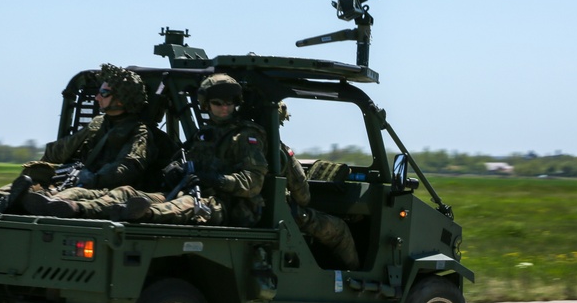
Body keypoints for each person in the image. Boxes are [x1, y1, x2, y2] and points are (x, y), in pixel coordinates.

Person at [26, 73, 267, 227]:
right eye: (218, 103)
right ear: (206, 105)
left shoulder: (245, 136)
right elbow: (179, 159)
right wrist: (175, 170)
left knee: (183, 206)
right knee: (125, 193)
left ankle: (143, 216)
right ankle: (76, 208)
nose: (224, 108)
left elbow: (252, 183)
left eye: (230, 103)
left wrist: (215, 179)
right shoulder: (202, 134)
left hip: (222, 203)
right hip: (187, 190)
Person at [0, 64, 155, 212]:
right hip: (77, 178)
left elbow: (128, 168)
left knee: (69, 194)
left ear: (121, 100)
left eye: (104, 93)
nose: (97, 97)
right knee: (30, 180)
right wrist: (88, 133)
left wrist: (92, 178)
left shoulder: (138, 132)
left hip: (104, 190)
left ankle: (36, 204)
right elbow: (56, 153)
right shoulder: (98, 125)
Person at [276, 101, 360, 270]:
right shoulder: (279, 151)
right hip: (281, 215)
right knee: (340, 230)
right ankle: (354, 282)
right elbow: (303, 197)